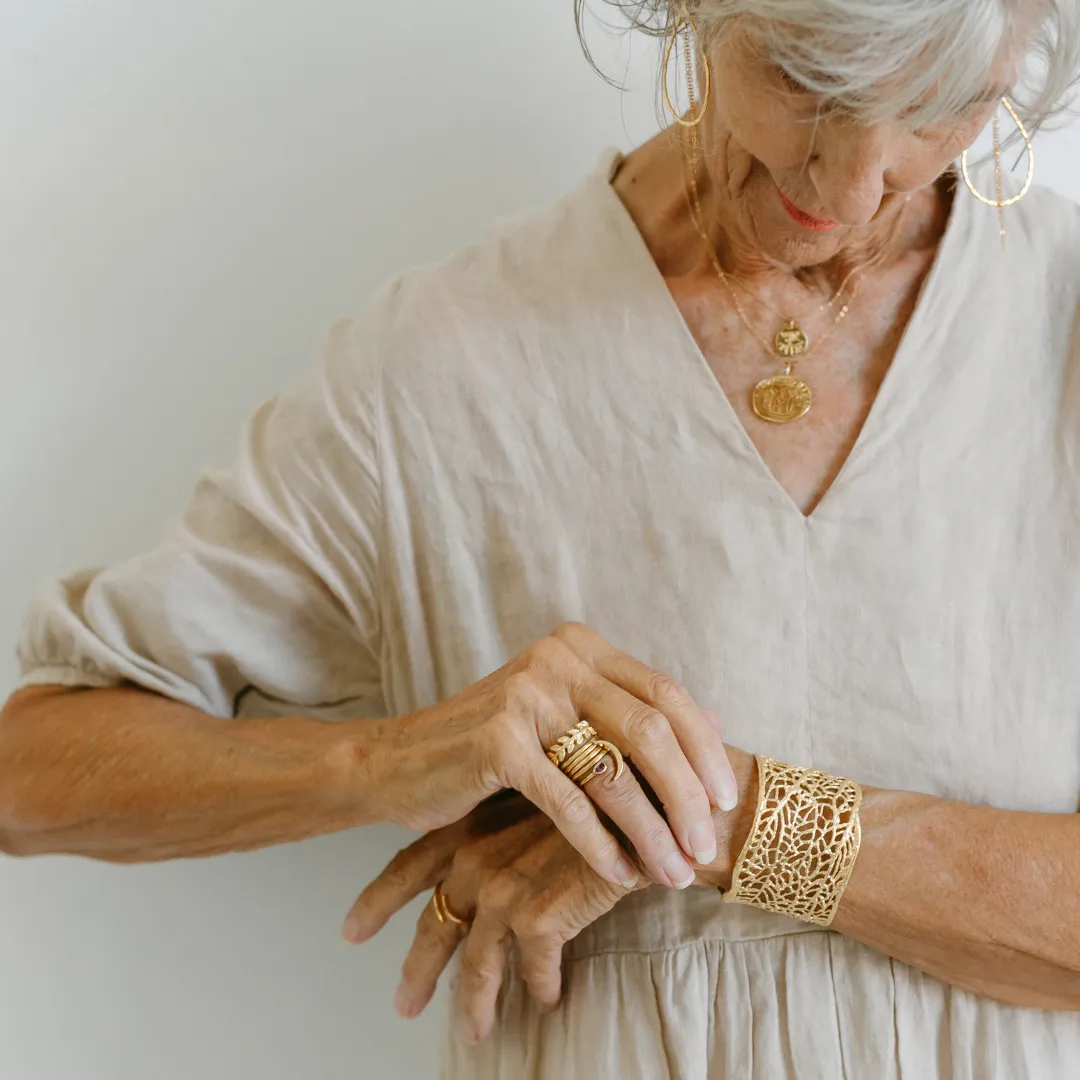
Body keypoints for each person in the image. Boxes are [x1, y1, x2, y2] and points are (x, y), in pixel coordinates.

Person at [4, 0, 1080, 1076]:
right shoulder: (445, 363)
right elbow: (33, 775)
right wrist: (385, 759)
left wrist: (723, 825)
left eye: (942, 107)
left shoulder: (1060, 321)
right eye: (811, 85)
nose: (851, 187)